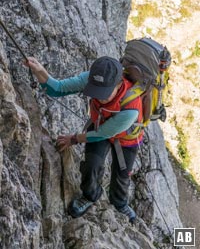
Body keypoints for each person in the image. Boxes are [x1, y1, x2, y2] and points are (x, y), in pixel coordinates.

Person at [24, 56, 144, 224]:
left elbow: (102, 134)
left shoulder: (131, 109)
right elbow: (57, 88)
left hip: (127, 139)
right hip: (100, 124)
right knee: (91, 165)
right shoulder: (92, 79)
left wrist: (74, 139)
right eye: (97, 93)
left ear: (118, 85)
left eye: (105, 94)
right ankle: (90, 195)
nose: (100, 98)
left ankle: (120, 203)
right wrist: (40, 71)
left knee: (122, 175)